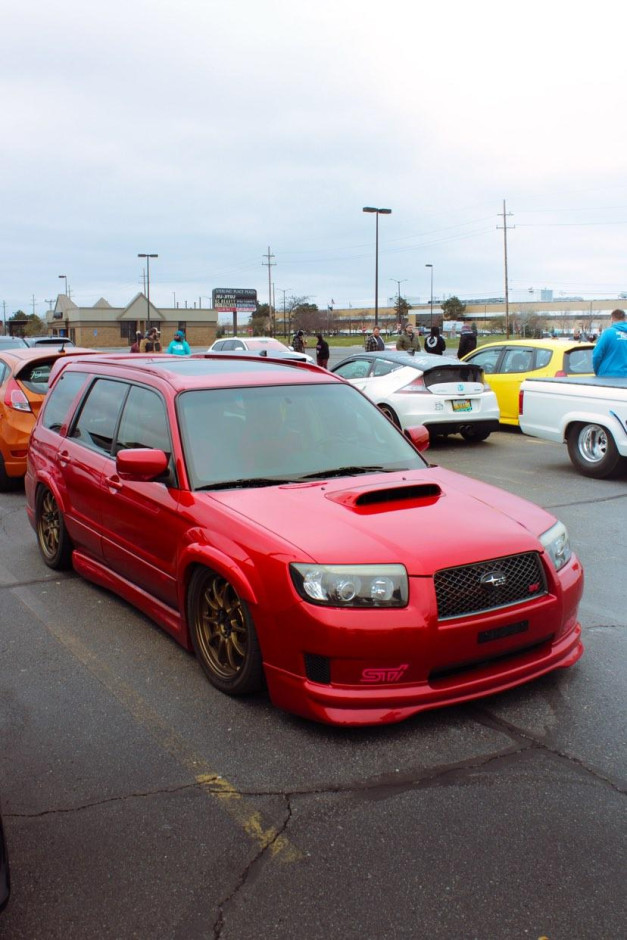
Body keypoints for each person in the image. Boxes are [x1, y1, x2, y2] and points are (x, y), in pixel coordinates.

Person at [592, 309, 627, 377]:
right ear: (625, 318)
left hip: (608, 376)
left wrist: (597, 371)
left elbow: (597, 355)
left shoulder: (608, 333)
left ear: (612, 319)